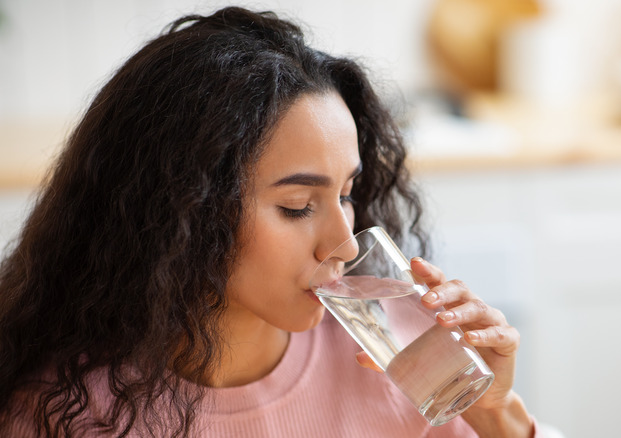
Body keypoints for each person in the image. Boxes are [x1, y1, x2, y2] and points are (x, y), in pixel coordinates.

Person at [0, 7, 546, 437]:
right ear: (182, 209)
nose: (341, 243)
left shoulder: (403, 362)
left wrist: (497, 416)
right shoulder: (63, 412)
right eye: (297, 207)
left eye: (348, 194)